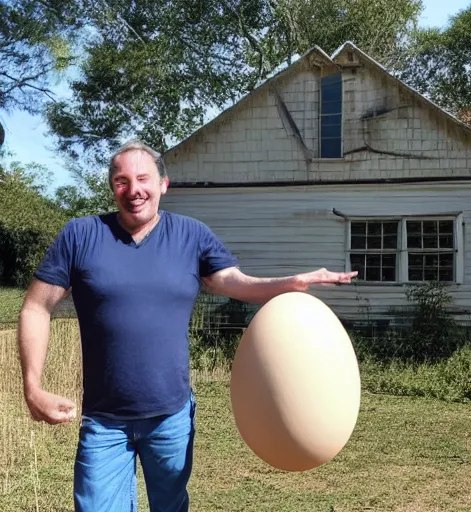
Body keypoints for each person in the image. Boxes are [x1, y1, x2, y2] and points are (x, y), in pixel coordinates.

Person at [18, 139, 358, 512]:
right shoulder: (81, 235)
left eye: (143, 178)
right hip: (104, 422)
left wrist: (289, 283)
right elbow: (36, 306)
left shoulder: (190, 235)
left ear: (164, 183)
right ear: (112, 186)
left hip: (170, 418)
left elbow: (234, 282)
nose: (134, 190)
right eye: (122, 181)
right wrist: (33, 387)